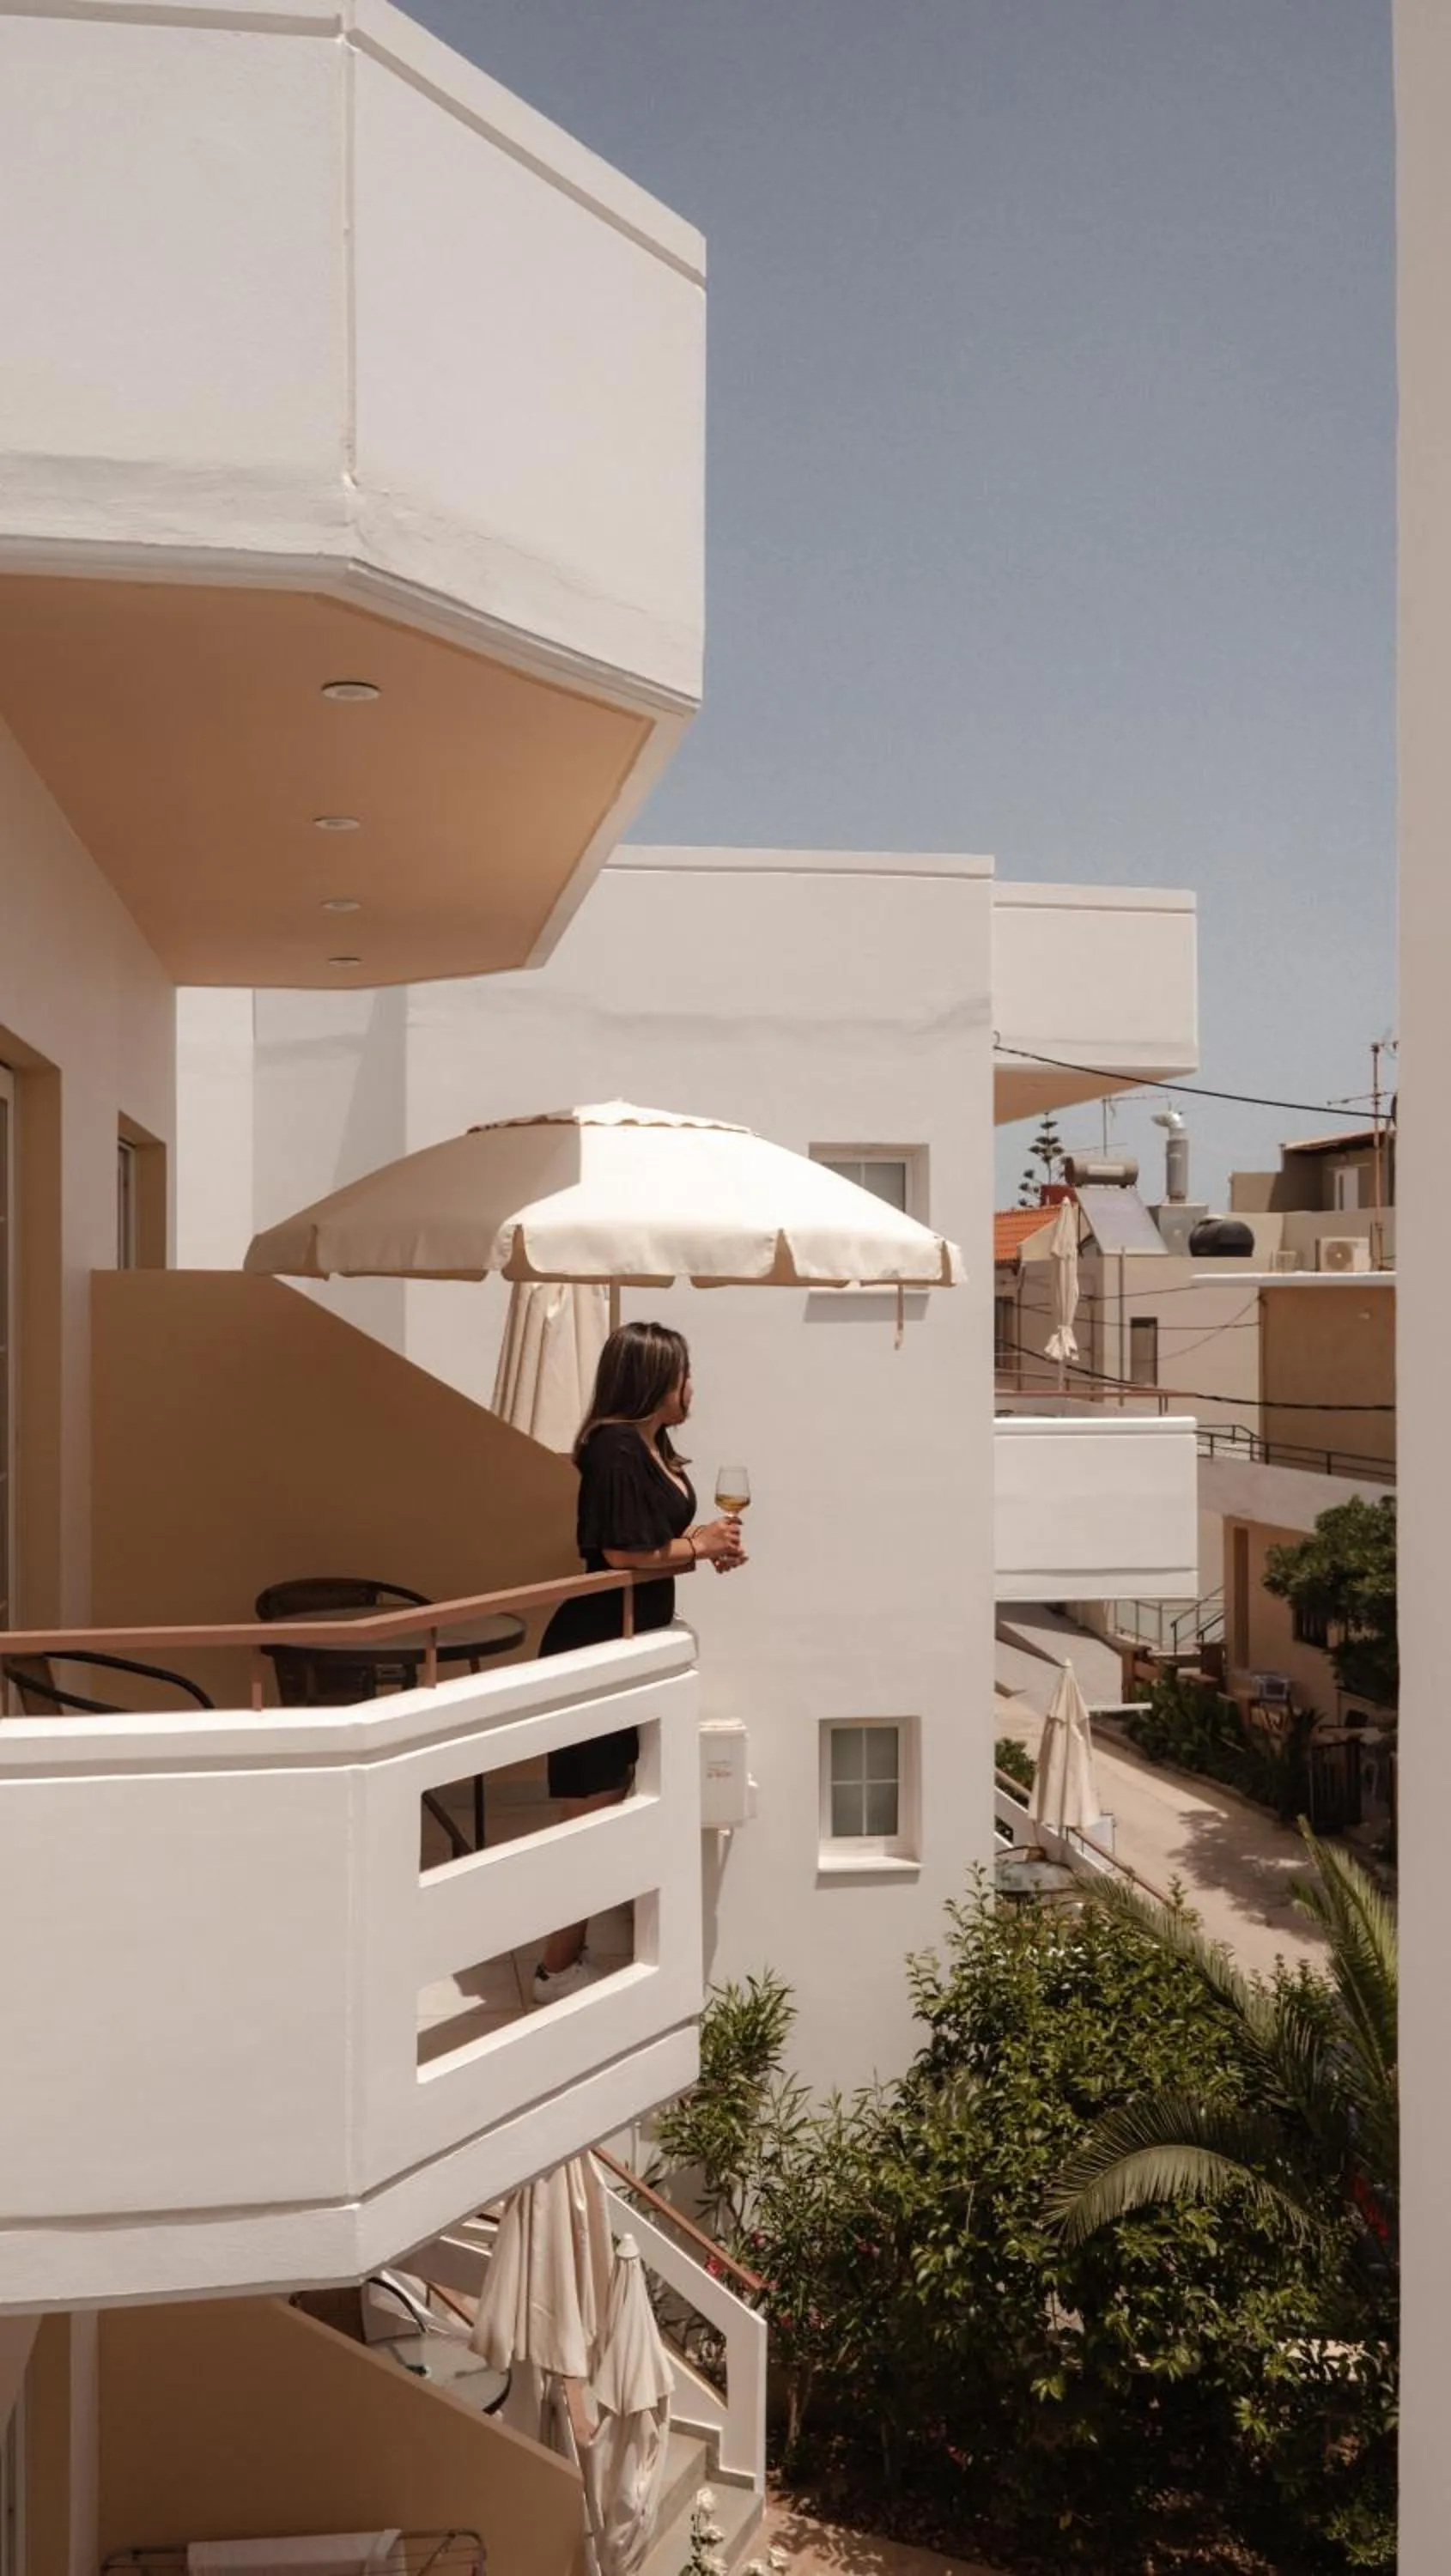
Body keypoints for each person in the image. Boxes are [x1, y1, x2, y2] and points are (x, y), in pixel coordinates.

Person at [531, 1320, 745, 2004]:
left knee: (610, 1802)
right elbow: (622, 1556)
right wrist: (698, 1547)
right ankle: (553, 1971)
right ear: (655, 1378)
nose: (693, 1386)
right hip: (596, 1642)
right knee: (589, 1815)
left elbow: (649, 1539)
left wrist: (697, 1544)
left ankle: (566, 1956)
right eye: (685, 1373)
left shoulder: (650, 1447)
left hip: (628, 1640)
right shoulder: (616, 1448)